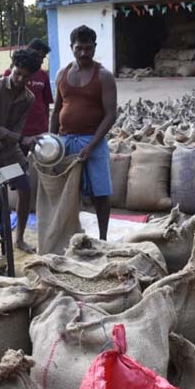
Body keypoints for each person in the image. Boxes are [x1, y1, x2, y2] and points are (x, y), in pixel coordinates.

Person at [50, 25, 117, 241]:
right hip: (65, 140)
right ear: (72, 48)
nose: (84, 53)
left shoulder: (104, 76)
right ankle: (71, 234)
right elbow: (57, 110)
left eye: (88, 48)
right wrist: (52, 143)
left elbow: (110, 115)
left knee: (100, 192)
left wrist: (91, 145)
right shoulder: (62, 74)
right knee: (68, 193)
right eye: (79, 48)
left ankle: (104, 237)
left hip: (93, 141)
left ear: (95, 48)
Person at [0, 48, 44, 252]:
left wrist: (19, 143)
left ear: (31, 77)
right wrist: (21, 139)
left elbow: (17, 128)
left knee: (25, 188)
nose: (20, 79)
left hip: (8, 150)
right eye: (17, 73)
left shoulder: (29, 98)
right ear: (11, 68)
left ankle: (19, 239)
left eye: (25, 76)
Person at [3, 38, 54, 136]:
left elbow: (46, 104)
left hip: (39, 130)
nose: (42, 62)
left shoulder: (43, 75)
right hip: (16, 132)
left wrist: (46, 127)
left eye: (43, 58)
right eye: (40, 57)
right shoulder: (10, 74)